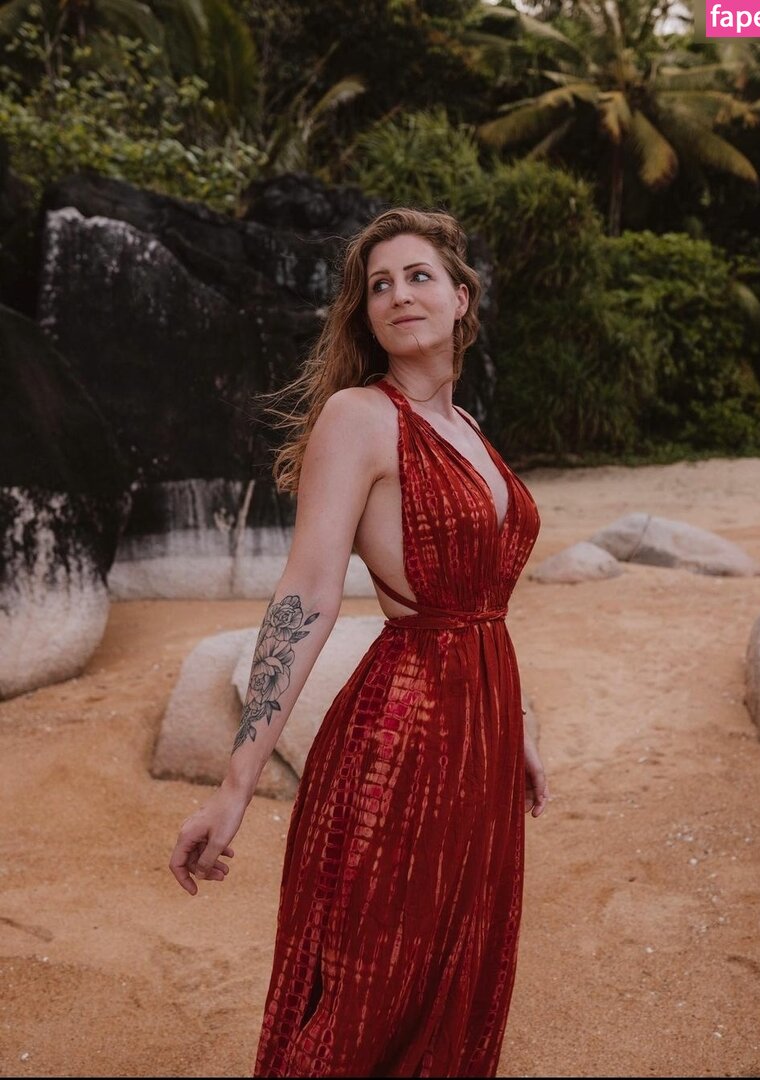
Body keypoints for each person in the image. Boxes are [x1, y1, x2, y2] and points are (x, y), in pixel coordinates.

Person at [169, 207, 548, 1077]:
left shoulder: (468, 430)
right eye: (379, 286)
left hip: (481, 742)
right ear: (366, 316)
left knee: (458, 981)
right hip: (402, 738)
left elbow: (485, 603)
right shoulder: (359, 417)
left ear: (461, 298)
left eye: (418, 276)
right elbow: (307, 593)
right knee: (369, 993)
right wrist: (234, 785)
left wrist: (518, 722)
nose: (398, 295)